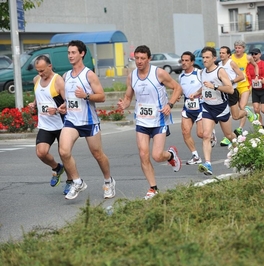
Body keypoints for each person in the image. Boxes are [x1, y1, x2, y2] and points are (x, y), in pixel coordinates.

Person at [117, 45, 182, 200]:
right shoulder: (132, 76)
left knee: (157, 156)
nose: (139, 61)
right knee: (143, 154)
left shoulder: (158, 73)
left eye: (142, 58)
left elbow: (177, 88)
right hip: (141, 120)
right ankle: (153, 188)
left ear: (149, 59)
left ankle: (171, 155)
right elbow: (128, 97)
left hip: (159, 119)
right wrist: (124, 104)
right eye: (137, 58)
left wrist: (170, 104)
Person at [59, 40, 115, 200]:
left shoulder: (88, 74)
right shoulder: (66, 76)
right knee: (63, 151)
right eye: (68, 53)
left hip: (89, 121)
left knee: (98, 154)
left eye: (73, 52)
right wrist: (64, 106)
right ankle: (77, 182)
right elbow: (70, 99)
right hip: (71, 121)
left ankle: (108, 181)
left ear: (82, 53)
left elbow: (102, 97)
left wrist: (86, 95)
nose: (70, 55)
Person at [28, 55, 73, 195]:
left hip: (61, 124)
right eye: (38, 71)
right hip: (45, 125)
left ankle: (71, 181)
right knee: (41, 153)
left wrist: (58, 109)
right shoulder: (37, 79)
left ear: (50, 66)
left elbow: (69, 103)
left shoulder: (58, 81)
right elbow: (39, 93)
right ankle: (57, 168)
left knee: (64, 154)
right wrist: (34, 104)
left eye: (42, 71)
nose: (40, 74)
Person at [188, 46, 235, 175]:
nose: (204, 60)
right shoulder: (202, 72)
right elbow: (204, 87)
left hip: (221, 108)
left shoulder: (220, 71)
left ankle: (240, 147)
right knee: (206, 135)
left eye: (207, 57)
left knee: (229, 135)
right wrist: (196, 93)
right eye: (203, 57)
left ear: (214, 58)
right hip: (208, 107)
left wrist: (214, 86)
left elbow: (230, 89)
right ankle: (207, 164)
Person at [219, 40, 259, 146]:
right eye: (236, 47)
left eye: (239, 48)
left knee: (242, 106)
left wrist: (256, 76)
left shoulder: (248, 57)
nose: (237, 49)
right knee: (231, 113)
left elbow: (256, 66)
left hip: (244, 85)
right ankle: (229, 135)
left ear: (243, 49)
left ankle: (240, 128)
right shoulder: (230, 58)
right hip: (232, 88)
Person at [179, 51, 205, 165]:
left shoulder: (199, 73)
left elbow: (206, 87)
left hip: (201, 106)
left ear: (192, 62)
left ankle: (211, 134)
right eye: (182, 60)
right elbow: (182, 91)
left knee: (200, 134)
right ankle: (195, 156)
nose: (184, 63)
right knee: (185, 132)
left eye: (186, 60)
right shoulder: (181, 76)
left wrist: (198, 93)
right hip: (188, 107)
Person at [246, 48, 264, 128]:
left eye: (255, 54)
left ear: (260, 55)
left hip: (263, 89)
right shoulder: (249, 65)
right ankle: (261, 127)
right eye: (252, 54)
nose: (254, 56)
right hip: (255, 90)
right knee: (256, 109)